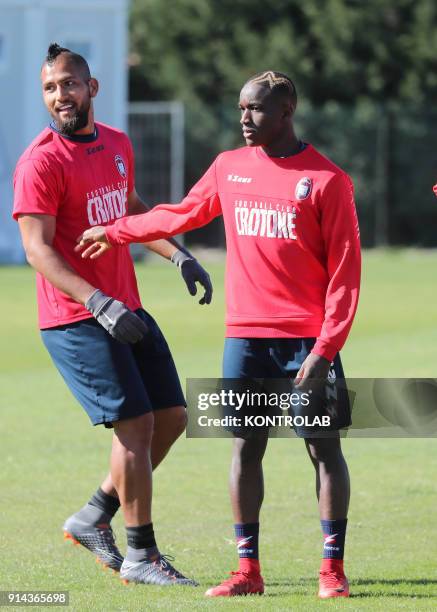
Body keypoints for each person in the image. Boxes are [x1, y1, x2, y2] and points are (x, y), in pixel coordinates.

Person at [77, 70, 361, 599]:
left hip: (306, 343)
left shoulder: (327, 180)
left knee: (324, 451)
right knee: (245, 450)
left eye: (255, 109)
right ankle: (247, 571)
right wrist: (115, 231)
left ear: (286, 111)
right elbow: (180, 213)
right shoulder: (229, 168)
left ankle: (332, 569)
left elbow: (346, 276)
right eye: (240, 109)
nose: (245, 119)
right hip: (246, 339)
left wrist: (326, 348)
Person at [12, 43, 214, 587]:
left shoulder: (117, 144)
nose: (62, 96)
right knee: (137, 424)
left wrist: (179, 254)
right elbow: (38, 250)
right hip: (75, 318)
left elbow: (132, 210)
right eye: (51, 88)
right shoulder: (40, 162)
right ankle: (140, 556)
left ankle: (92, 515)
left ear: (92, 87)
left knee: (172, 417)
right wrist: (97, 302)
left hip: (126, 307)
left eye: (70, 84)